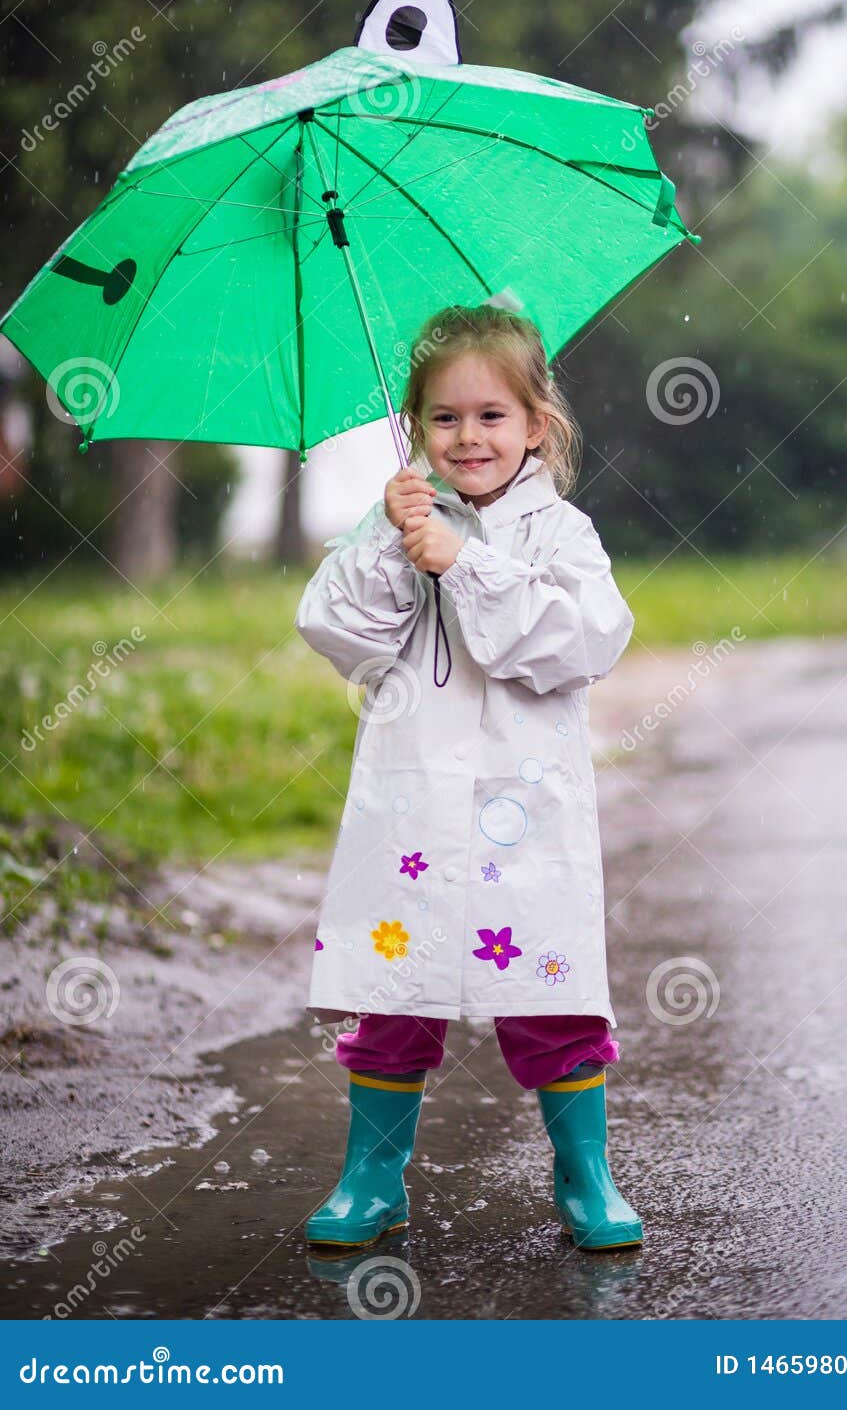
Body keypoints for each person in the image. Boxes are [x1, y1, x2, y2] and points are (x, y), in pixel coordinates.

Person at [294, 302, 642, 1252]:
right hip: (410, 810)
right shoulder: (393, 521)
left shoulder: (562, 535)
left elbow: (585, 641)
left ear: (537, 425)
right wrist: (392, 546)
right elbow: (337, 631)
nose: (468, 436)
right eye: (443, 418)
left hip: (526, 814)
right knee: (393, 993)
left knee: (550, 992)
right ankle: (372, 1175)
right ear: (414, 428)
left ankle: (583, 1171)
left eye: (491, 416)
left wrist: (468, 565)